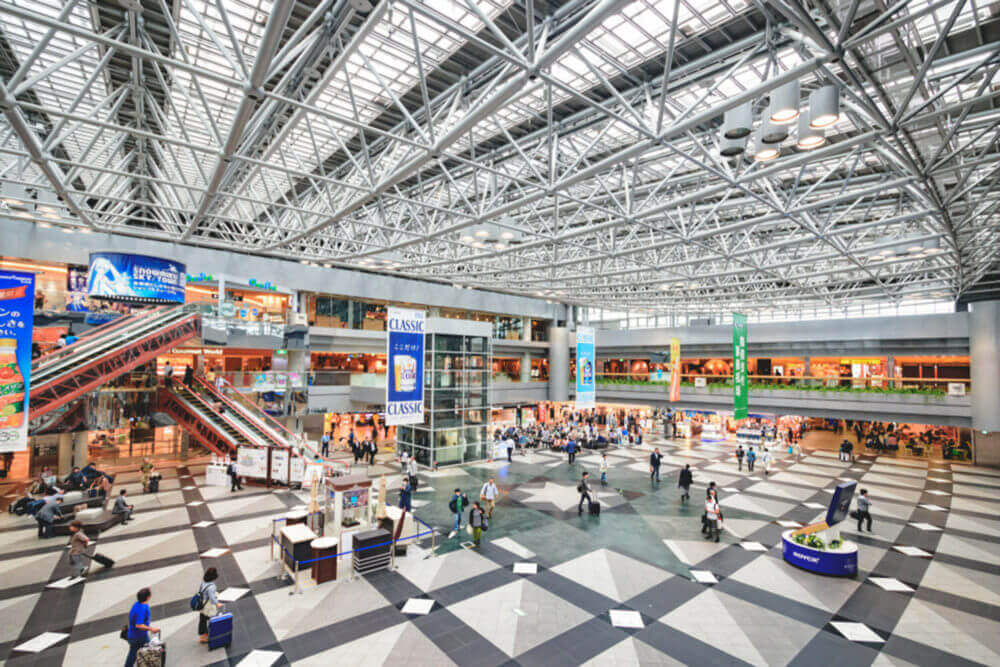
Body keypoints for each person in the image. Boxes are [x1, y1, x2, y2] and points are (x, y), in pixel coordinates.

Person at [125, 588, 158, 667]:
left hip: (134, 635)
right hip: (138, 637)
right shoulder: (141, 608)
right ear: (147, 597)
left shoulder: (137, 604)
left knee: (133, 655)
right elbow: (138, 625)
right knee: (149, 652)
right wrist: (151, 629)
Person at [197, 567, 223, 643]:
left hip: (202, 603)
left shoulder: (203, 583)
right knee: (213, 619)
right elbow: (212, 598)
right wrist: (217, 603)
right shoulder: (212, 586)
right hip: (208, 605)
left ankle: (203, 636)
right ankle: (214, 634)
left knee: (203, 620)